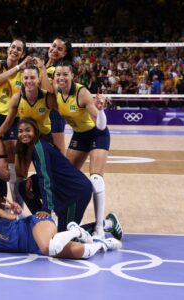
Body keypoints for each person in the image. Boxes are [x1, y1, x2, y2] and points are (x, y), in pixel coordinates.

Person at [53, 61, 114, 239]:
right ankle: (63, 219)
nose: (61, 77)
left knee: (96, 179)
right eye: (58, 74)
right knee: (63, 178)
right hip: (79, 136)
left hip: (97, 134)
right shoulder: (55, 93)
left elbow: (101, 126)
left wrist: (101, 110)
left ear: (72, 76)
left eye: (65, 74)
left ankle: (100, 228)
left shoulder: (82, 93)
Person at [0, 203, 122, 259]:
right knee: (81, 253)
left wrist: (18, 211)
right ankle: (103, 244)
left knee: (49, 248)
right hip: (33, 247)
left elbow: (19, 218)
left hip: (34, 225)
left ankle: (76, 231)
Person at [0, 39, 34, 204]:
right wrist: (18, 67)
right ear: (8, 49)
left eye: (19, 49)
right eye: (13, 47)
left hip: (13, 117)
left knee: (13, 162)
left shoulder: (24, 72)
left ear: (22, 54)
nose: (15, 50)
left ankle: (17, 209)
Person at [0, 65, 57, 142]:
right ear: (22, 80)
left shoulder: (48, 98)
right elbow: (7, 123)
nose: (29, 81)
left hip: (44, 137)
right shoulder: (16, 98)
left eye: (32, 78)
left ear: (38, 79)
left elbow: (65, 113)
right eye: (26, 78)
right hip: (25, 138)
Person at [42, 37, 73, 151]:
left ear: (64, 53)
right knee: (43, 150)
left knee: (58, 151)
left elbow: (51, 89)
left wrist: (41, 70)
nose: (55, 50)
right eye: (54, 46)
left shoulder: (60, 70)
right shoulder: (45, 65)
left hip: (54, 113)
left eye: (59, 49)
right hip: (40, 111)